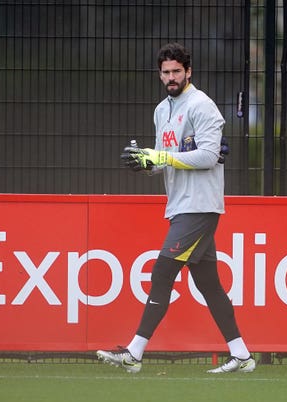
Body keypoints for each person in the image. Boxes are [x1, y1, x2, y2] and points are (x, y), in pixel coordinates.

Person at [97, 43, 255, 374]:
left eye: (177, 72)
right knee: (209, 285)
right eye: (166, 72)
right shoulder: (161, 110)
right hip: (180, 205)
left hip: (200, 206)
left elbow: (210, 156)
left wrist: (163, 157)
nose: (171, 77)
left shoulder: (202, 106)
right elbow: (163, 162)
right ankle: (242, 355)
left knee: (162, 272)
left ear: (189, 72)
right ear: (160, 74)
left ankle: (134, 353)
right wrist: (145, 162)